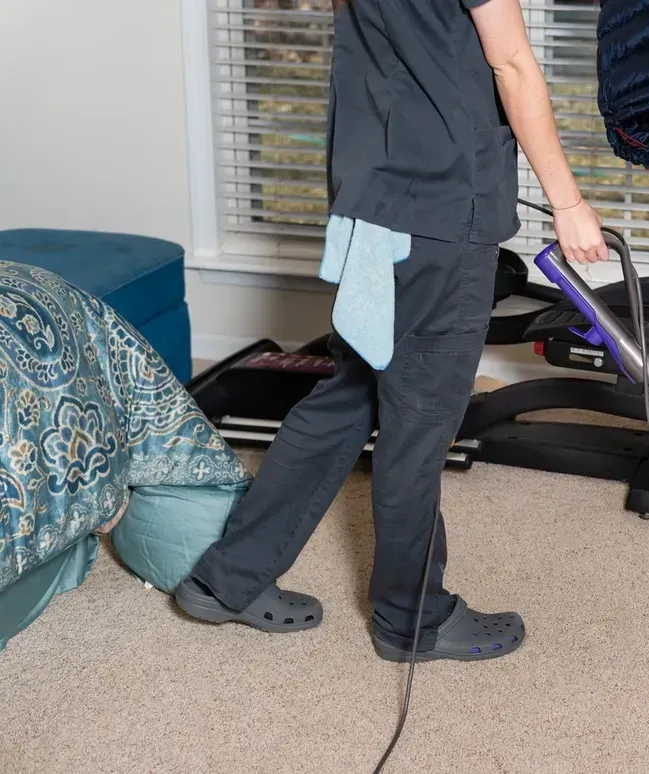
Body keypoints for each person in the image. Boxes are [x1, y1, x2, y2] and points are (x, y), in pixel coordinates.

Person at [174, 0, 609, 662]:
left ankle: (225, 580)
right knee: (419, 423)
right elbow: (513, 64)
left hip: (373, 198)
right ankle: (414, 619)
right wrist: (568, 202)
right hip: (438, 214)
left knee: (350, 397)